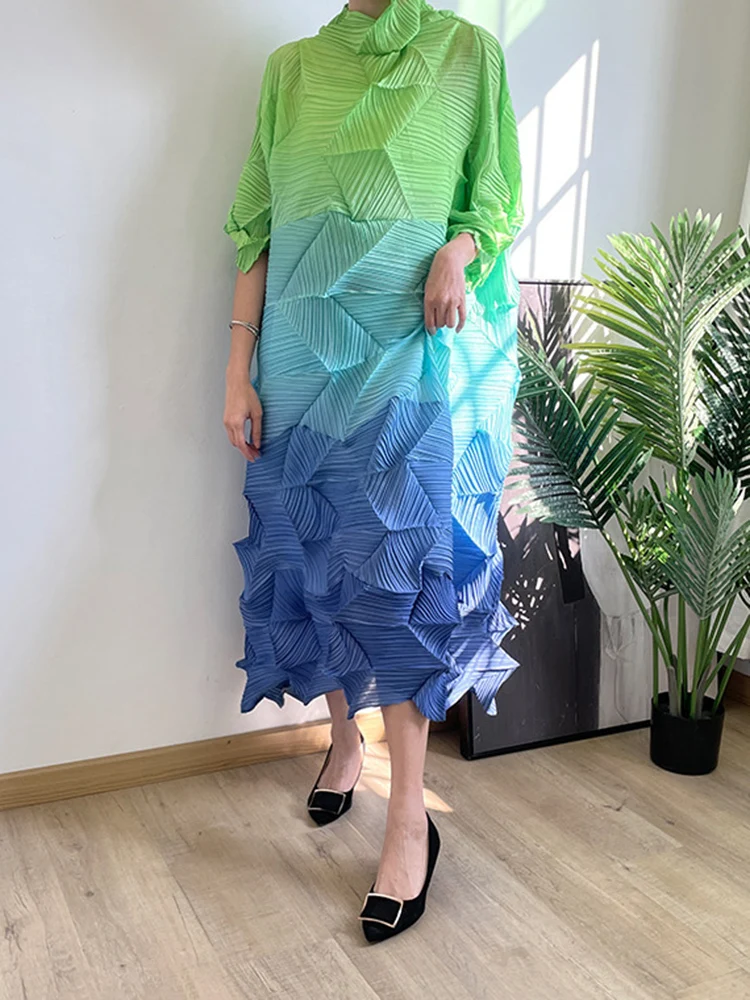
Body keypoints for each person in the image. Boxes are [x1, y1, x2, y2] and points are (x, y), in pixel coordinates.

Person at [222, 0, 524, 942]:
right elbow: (257, 228)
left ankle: (408, 823)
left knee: (399, 578)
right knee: (316, 558)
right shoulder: (290, 71)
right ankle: (343, 744)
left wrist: (459, 250)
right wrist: (235, 369)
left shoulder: (468, 53)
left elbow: (496, 199)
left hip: (410, 360)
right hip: (298, 362)